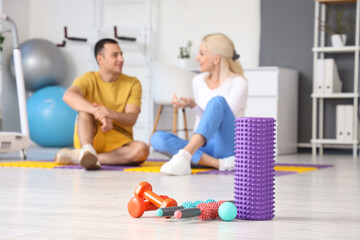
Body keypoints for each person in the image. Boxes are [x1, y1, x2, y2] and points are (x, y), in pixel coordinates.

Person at [151, 33, 248, 176]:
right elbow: (208, 119)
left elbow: (220, 121)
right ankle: (219, 164)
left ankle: (185, 156)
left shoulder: (239, 83)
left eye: (201, 54)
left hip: (227, 144)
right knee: (157, 138)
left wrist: (195, 107)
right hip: (205, 146)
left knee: (217, 102)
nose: (197, 58)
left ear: (216, 58)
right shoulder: (198, 81)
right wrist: (192, 105)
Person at [55, 38, 149, 170]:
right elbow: (68, 95)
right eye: (115, 55)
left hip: (119, 143)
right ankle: (87, 149)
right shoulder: (88, 79)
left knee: (142, 150)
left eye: (121, 54)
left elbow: (131, 118)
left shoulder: (133, 83)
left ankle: (81, 157)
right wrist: (99, 113)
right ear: (100, 59)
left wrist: (111, 114)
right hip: (90, 136)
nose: (121, 59)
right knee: (84, 111)